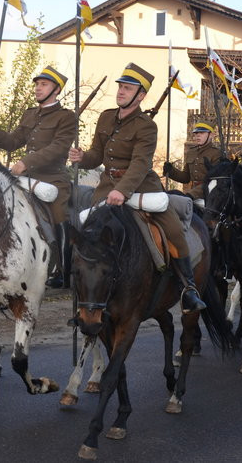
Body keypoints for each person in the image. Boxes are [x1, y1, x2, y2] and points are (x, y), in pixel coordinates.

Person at [68, 63, 206, 313]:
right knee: (83, 231)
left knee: (173, 228)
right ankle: (80, 282)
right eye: (120, 86)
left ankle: (188, 288)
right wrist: (81, 157)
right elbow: (97, 155)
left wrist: (122, 190)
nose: (121, 91)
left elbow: (141, 164)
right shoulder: (106, 117)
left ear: (140, 95)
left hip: (141, 188)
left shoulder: (146, 126)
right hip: (106, 188)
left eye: (127, 88)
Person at [0, 66, 76, 287]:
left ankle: (63, 269)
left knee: (59, 213)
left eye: (43, 84)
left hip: (52, 177)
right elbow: (13, 142)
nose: (38, 88)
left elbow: (59, 148)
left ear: (56, 89)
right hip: (25, 176)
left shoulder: (66, 117)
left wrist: (26, 162)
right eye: (37, 84)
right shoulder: (30, 114)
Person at [163, 121, 225, 200]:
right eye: (196, 133)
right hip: (191, 193)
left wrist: (192, 194)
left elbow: (214, 181)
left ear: (211, 135)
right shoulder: (191, 152)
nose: (198, 135)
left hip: (209, 195)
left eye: (202, 133)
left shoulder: (216, 154)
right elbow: (185, 177)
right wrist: (171, 171)